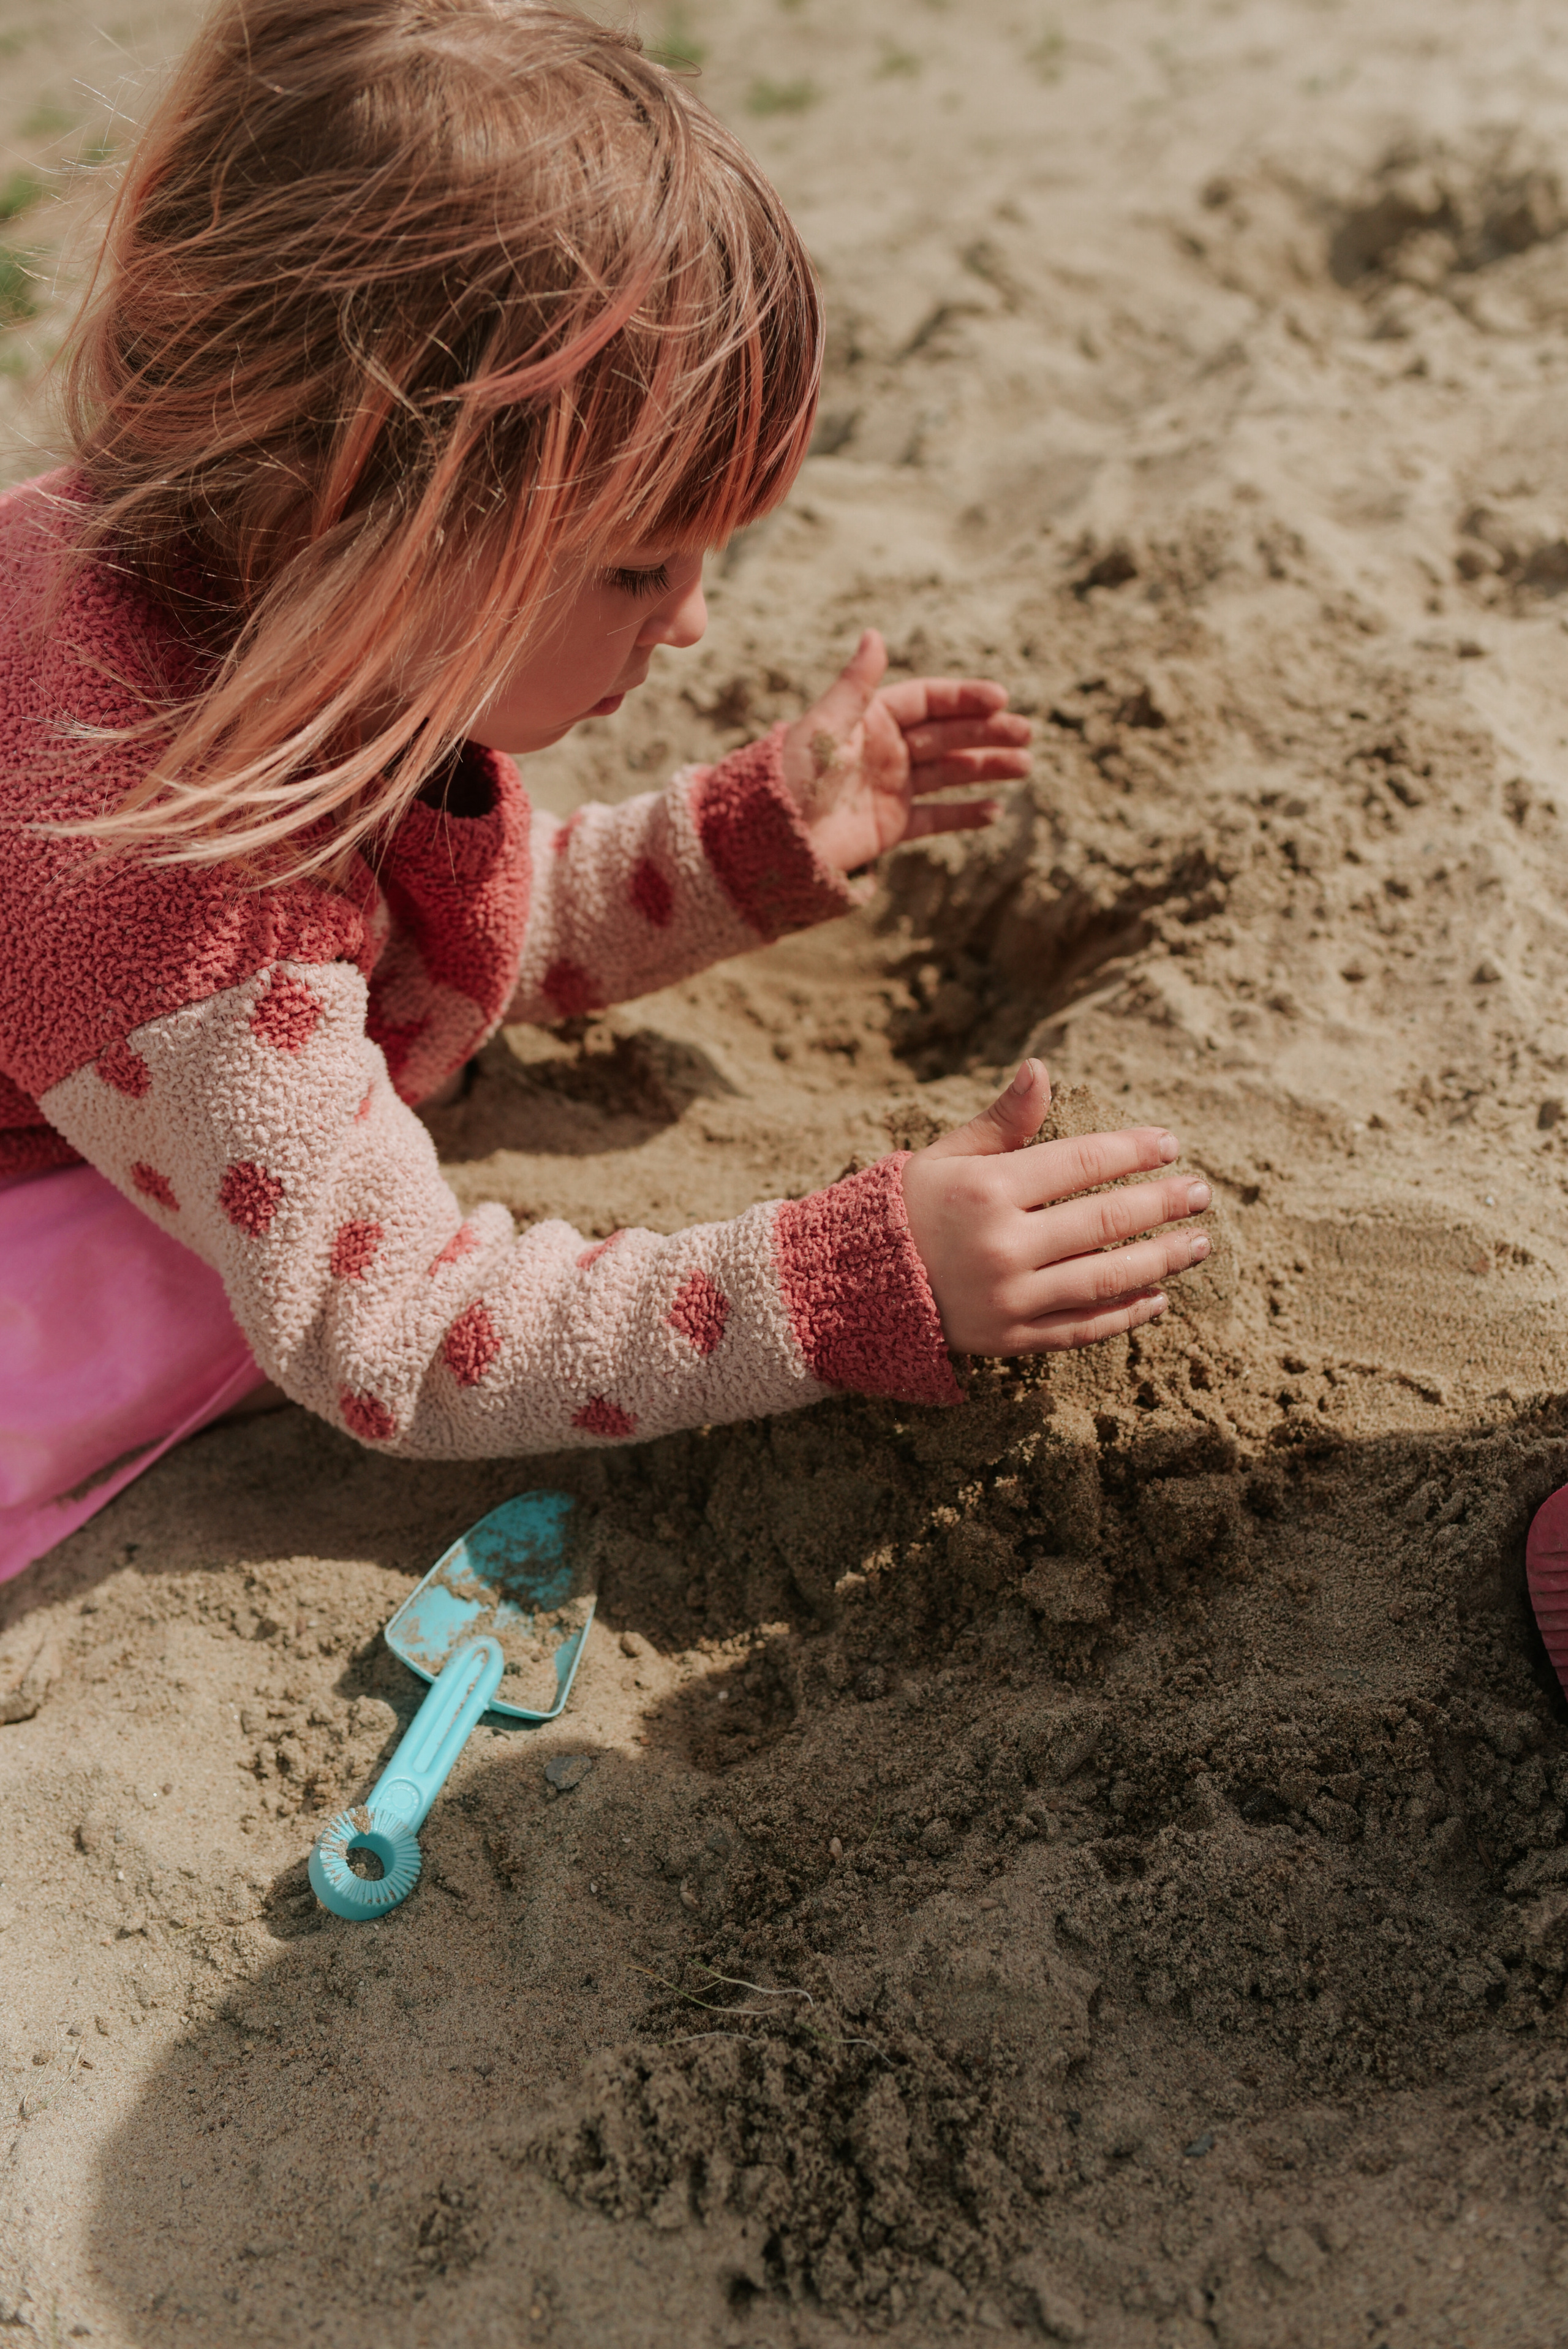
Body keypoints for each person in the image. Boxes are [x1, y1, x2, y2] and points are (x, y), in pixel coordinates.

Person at [0, 0, 1212, 1582]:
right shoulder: (174, 904)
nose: (692, 622)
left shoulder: (233, 575)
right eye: (640, 568)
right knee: (199, 1291)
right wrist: (835, 1281)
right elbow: (402, 1335)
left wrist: (732, 847)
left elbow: (413, 940)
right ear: (378, 521)